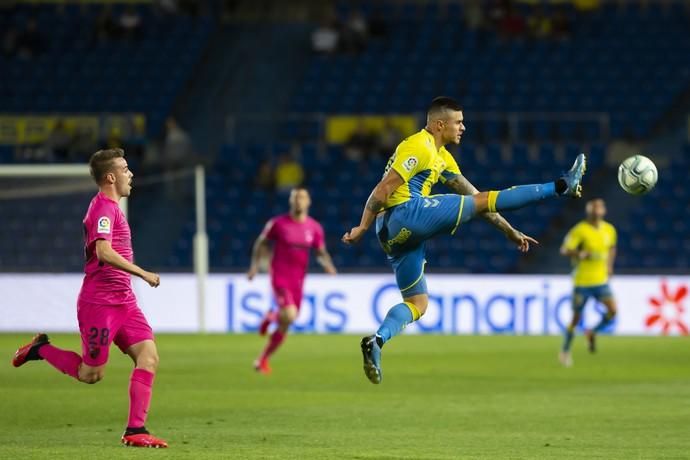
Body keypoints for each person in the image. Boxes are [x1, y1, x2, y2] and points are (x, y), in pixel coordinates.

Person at [342, 96, 587, 384]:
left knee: (418, 303)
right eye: (458, 122)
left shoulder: (442, 157)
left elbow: (475, 196)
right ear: (439, 124)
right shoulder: (418, 146)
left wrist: (509, 230)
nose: (463, 127)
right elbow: (382, 190)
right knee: (482, 201)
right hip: (404, 214)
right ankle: (560, 186)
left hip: (393, 236)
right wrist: (361, 226)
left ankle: (377, 341)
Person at [11, 148, 168, 448]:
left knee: (148, 357)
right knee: (91, 374)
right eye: (124, 168)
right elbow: (103, 251)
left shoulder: (112, 208)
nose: (130, 173)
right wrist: (143, 273)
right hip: (100, 304)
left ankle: (136, 431)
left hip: (125, 302)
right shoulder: (103, 209)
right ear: (111, 176)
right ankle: (40, 349)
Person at [247, 187, 337, 374]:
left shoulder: (314, 228)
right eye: (296, 198)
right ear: (291, 201)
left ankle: (262, 359)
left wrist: (327, 264)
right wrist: (255, 266)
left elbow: (320, 252)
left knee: (288, 320)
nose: (299, 201)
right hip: (280, 277)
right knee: (288, 314)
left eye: (302, 198)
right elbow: (261, 242)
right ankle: (271, 316)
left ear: (308, 202)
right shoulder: (278, 224)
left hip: (298, 281)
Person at [559, 198, 617, 367]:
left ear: (603, 210)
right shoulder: (580, 230)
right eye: (594, 207)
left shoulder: (609, 230)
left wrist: (609, 267)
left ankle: (593, 332)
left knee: (613, 310)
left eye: (600, 206)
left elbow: (612, 248)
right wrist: (579, 254)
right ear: (589, 210)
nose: (597, 210)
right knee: (576, 318)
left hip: (600, 280)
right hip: (582, 282)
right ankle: (565, 350)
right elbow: (564, 249)